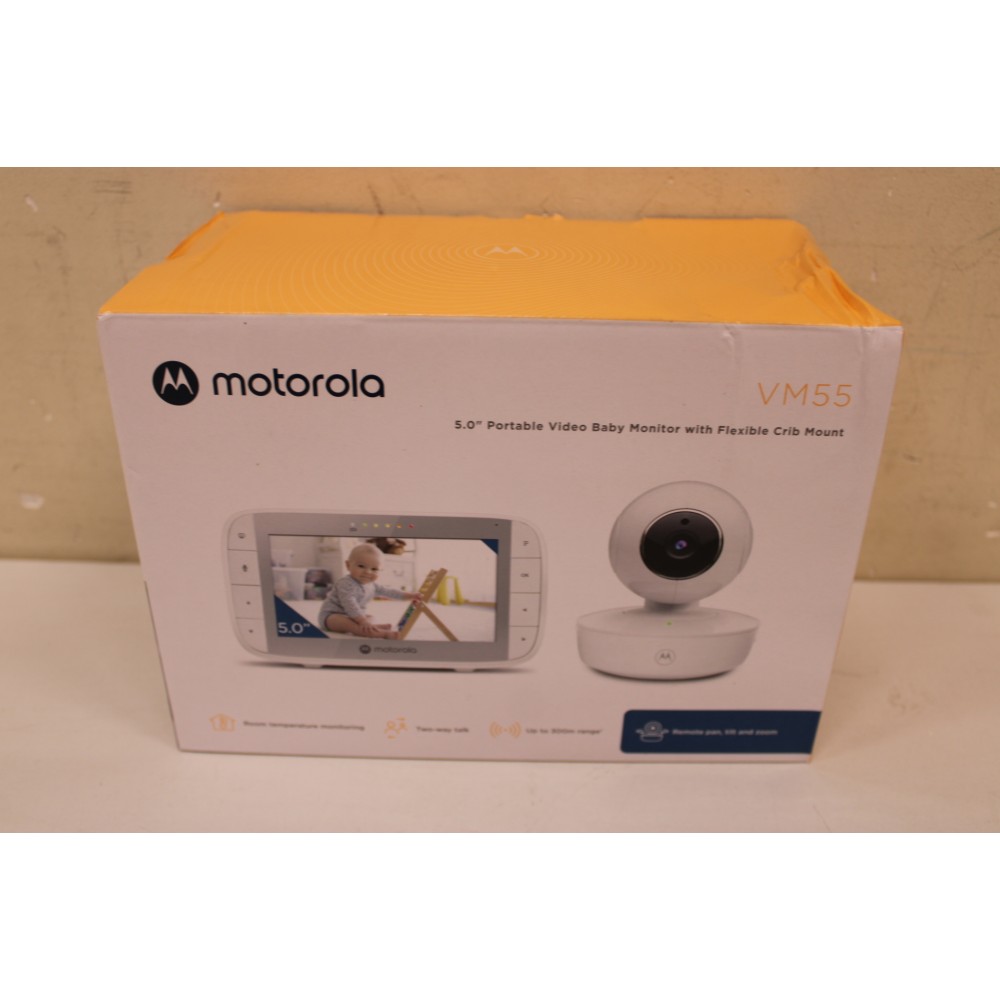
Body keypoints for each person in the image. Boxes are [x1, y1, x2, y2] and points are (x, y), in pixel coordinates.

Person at [317, 543, 422, 638]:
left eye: (374, 569)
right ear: (348, 565)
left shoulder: (373, 586)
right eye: (361, 566)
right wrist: (362, 621)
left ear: (380, 570)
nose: (367, 572)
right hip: (331, 617)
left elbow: (390, 592)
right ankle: (380, 633)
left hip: (355, 617)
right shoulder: (345, 583)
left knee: (371, 617)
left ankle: (372, 627)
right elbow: (349, 604)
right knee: (344, 622)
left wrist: (410, 595)